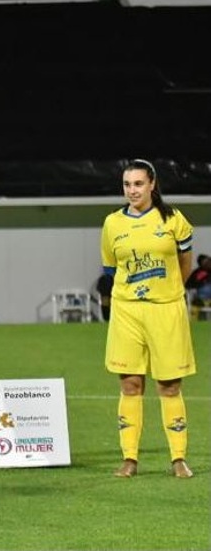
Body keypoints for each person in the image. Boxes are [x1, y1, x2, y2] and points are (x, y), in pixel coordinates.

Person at [101, 158, 196, 479]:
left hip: (166, 310)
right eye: (127, 184)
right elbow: (111, 270)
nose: (132, 190)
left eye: (138, 184)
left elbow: (186, 262)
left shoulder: (173, 220)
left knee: (169, 385)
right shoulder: (113, 223)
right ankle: (129, 459)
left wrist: (170, 292)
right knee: (130, 383)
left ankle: (178, 458)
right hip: (127, 310)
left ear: (153, 184)